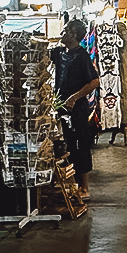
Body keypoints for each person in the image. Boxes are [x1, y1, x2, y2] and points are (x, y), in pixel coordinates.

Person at [50, 19, 99, 198]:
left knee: (80, 146)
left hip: (76, 110)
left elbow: (94, 81)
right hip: (59, 108)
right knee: (65, 146)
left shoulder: (82, 56)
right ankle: (70, 184)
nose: (62, 33)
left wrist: (74, 97)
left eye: (65, 31)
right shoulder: (60, 52)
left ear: (73, 35)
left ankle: (84, 187)